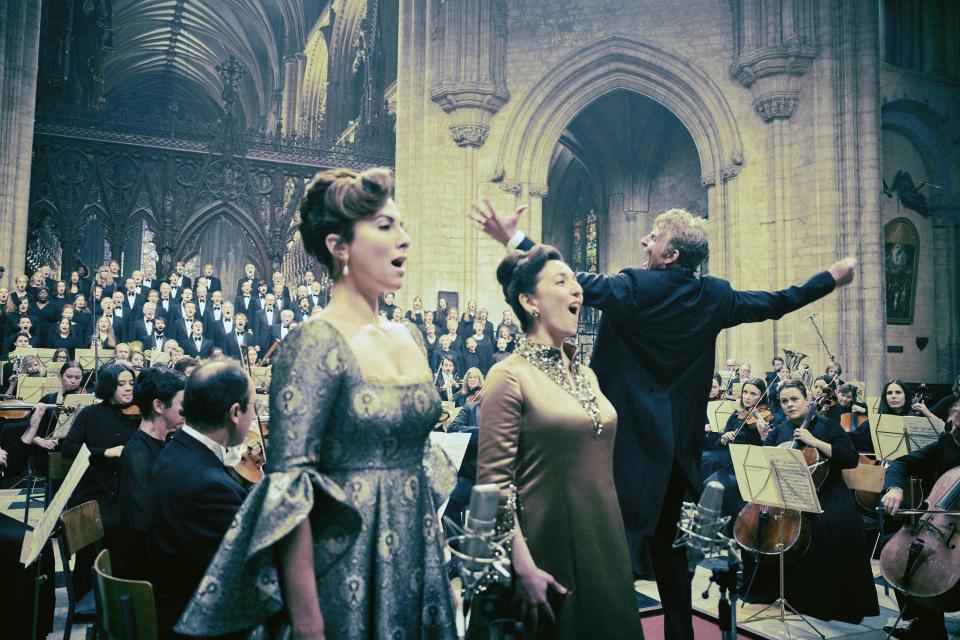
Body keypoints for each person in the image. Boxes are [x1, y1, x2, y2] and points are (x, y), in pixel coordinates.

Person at [471, 199, 856, 639]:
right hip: (676, 451)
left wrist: (514, 240)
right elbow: (779, 301)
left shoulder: (635, 287)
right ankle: (678, 631)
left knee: (598, 538)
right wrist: (831, 278)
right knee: (670, 552)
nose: (644, 240)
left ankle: (586, 618)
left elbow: (569, 281)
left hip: (618, 441)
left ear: (670, 255)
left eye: (653, 237)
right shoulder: (716, 297)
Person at [177, 167, 456, 639]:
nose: (404, 239)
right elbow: (289, 492)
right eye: (386, 227)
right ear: (338, 246)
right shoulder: (313, 342)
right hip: (344, 565)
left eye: (402, 225)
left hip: (417, 553)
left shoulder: (410, 334)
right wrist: (309, 625)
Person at [477, 245, 643, 638]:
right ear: (529, 301)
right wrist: (523, 567)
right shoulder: (507, 376)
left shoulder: (588, 376)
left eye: (576, 281)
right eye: (561, 281)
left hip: (605, 543)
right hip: (543, 551)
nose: (577, 290)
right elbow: (492, 486)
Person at [749, 380, 878, 623]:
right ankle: (775, 589)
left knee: (828, 523)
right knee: (762, 521)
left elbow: (850, 458)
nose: (789, 405)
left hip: (827, 491)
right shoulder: (780, 429)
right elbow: (765, 461)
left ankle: (818, 599)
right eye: (785, 401)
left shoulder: (828, 426)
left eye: (794, 399)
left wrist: (814, 441)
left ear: (807, 399)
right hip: (789, 494)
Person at [146, 362, 251, 639]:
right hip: (196, 619)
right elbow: (246, 571)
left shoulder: (176, 448)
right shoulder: (209, 486)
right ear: (235, 413)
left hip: (175, 596)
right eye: (254, 407)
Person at [880, 400, 960, 640]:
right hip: (942, 524)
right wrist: (895, 488)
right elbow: (902, 463)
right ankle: (926, 624)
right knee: (895, 549)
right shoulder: (947, 442)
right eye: (955, 421)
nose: (955, 428)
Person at [61, 362, 138, 594]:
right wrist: (103, 453)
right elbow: (68, 448)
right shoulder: (90, 414)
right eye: (121, 384)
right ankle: (91, 594)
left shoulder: (140, 415)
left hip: (125, 491)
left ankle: (125, 592)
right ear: (108, 386)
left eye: (131, 383)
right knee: (100, 533)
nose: (128, 389)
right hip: (95, 491)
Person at [117, 366, 187, 580]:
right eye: (182, 404)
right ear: (158, 405)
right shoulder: (138, 454)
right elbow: (146, 525)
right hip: (148, 571)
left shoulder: (165, 442)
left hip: (162, 553)